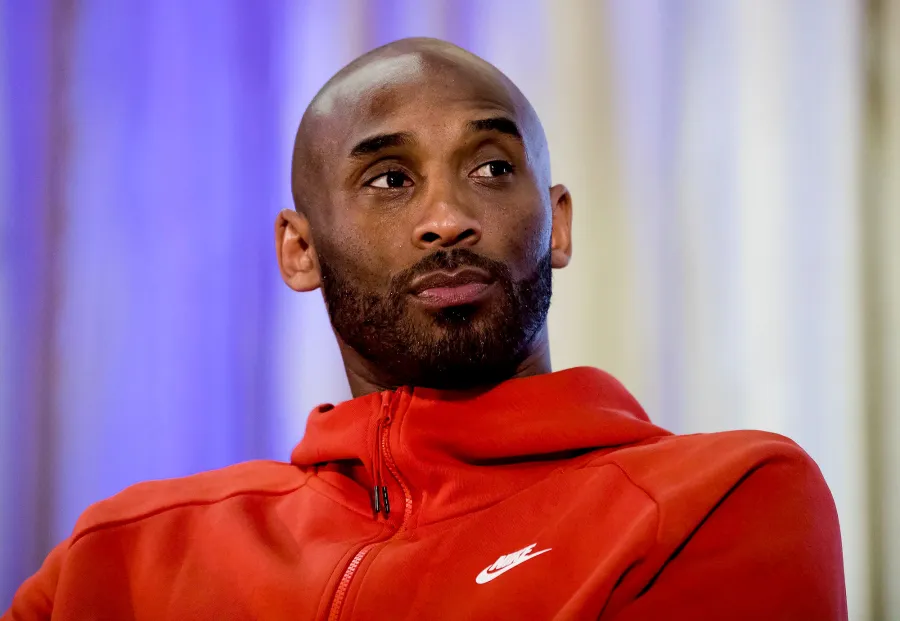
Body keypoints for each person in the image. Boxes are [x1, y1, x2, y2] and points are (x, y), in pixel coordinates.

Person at [4, 37, 846, 620]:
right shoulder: (121, 554)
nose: (447, 219)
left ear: (556, 225)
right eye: (389, 178)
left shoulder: (721, 495)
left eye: (490, 168)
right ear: (299, 250)